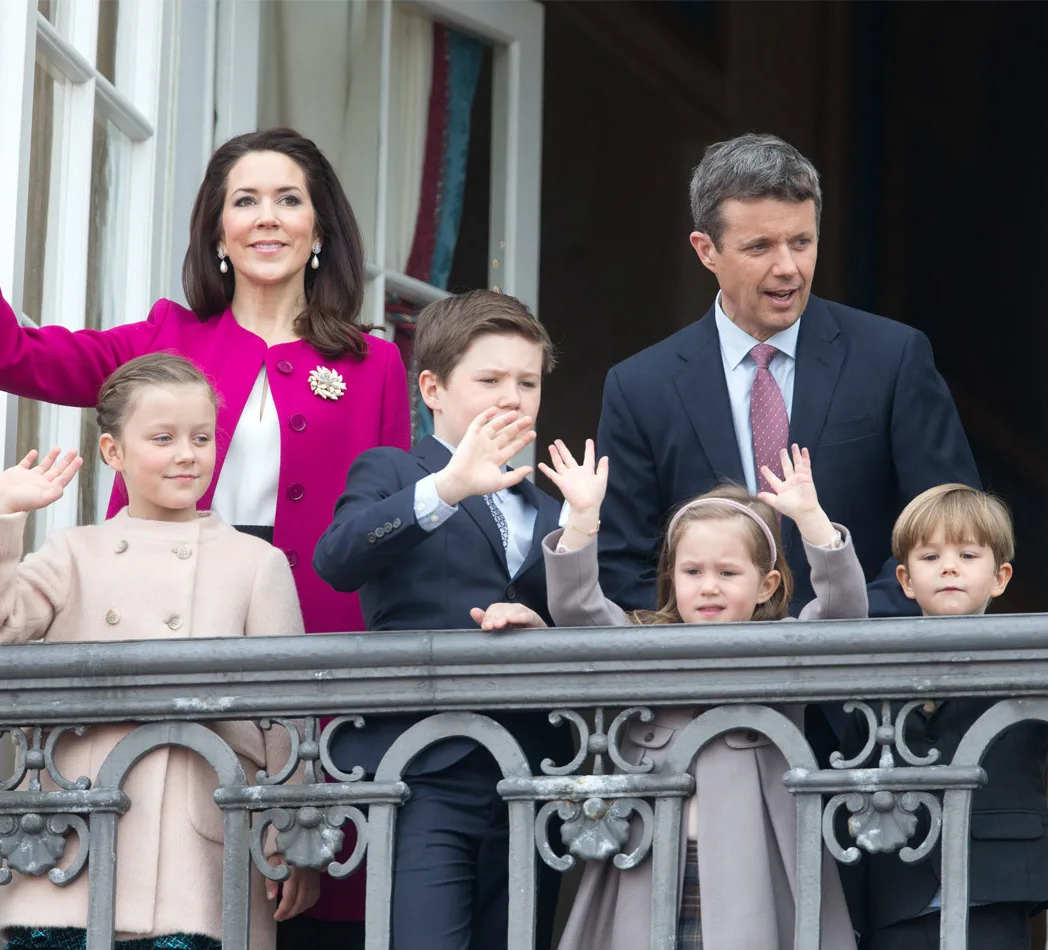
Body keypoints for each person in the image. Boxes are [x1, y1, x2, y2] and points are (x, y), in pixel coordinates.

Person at [0, 126, 410, 942]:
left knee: (303, 909)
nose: (268, 218)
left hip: (302, 668)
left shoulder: (373, 364)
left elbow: (388, 534)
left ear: (321, 227)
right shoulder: (162, 339)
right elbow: (8, 355)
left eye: (290, 200)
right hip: (150, 655)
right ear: (217, 229)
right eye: (244, 201)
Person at [0, 353, 314, 950]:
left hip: (195, 856)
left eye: (202, 437)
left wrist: (295, 839)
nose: (187, 454)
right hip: (70, 851)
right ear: (114, 452)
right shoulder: (74, 551)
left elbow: (287, 715)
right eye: (163, 438)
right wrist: (0, 512)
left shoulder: (255, 563)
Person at [594, 132, 979, 621]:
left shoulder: (893, 357)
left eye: (802, 242)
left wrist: (845, 625)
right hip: (708, 683)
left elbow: (955, 530)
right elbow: (623, 564)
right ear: (706, 250)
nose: (788, 268)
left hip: (866, 674)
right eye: (760, 247)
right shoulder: (640, 387)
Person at [312, 289, 568, 950]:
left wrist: (549, 632)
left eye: (527, 382)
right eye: (490, 380)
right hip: (426, 768)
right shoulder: (396, 470)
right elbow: (337, 559)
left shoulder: (554, 506)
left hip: (533, 774)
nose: (512, 397)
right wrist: (450, 487)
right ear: (432, 387)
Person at [539, 440, 863, 950]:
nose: (708, 586)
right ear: (672, 578)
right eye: (693, 572)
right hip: (648, 867)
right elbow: (578, 609)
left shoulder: (784, 649)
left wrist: (813, 521)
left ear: (766, 584)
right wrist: (582, 519)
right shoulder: (643, 644)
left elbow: (844, 616)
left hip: (753, 870)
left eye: (728, 572)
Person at [852, 484, 1047, 950]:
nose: (949, 567)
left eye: (967, 554)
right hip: (898, 887)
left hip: (997, 884)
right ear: (904, 579)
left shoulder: (1028, 660)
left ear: (1000, 577)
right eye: (930, 556)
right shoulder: (872, 664)